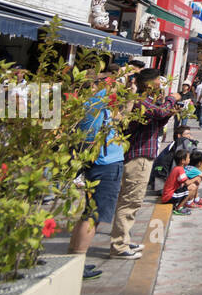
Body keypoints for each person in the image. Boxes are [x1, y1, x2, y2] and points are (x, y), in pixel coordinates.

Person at [110, 66, 176, 260]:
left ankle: (124, 239)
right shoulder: (141, 102)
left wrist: (169, 111)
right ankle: (119, 245)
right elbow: (159, 112)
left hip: (143, 155)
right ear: (149, 84)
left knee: (133, 201)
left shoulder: (145, 101)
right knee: (130, 201)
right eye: (158, 81)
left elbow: (159, 119)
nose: (160, 84)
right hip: (137, 157)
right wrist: (173, 99)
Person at [69, 61, 125, 280]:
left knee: (88, 212)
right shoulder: (95, 101)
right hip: (105, 162)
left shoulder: (83, 103)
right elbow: (119, 93)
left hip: (95, 160)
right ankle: (78, 262)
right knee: (94, 215)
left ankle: (74, 259)